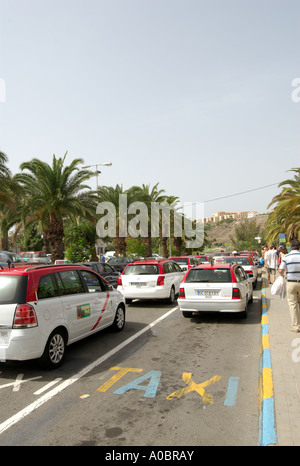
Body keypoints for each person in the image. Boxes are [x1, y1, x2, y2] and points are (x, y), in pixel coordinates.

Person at [279, 239, 300, 332]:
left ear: (290, 247)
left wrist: (282, 276)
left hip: (291, 283)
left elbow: (280, 270)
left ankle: (296, 326)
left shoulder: (286, 257)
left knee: (293, 304)